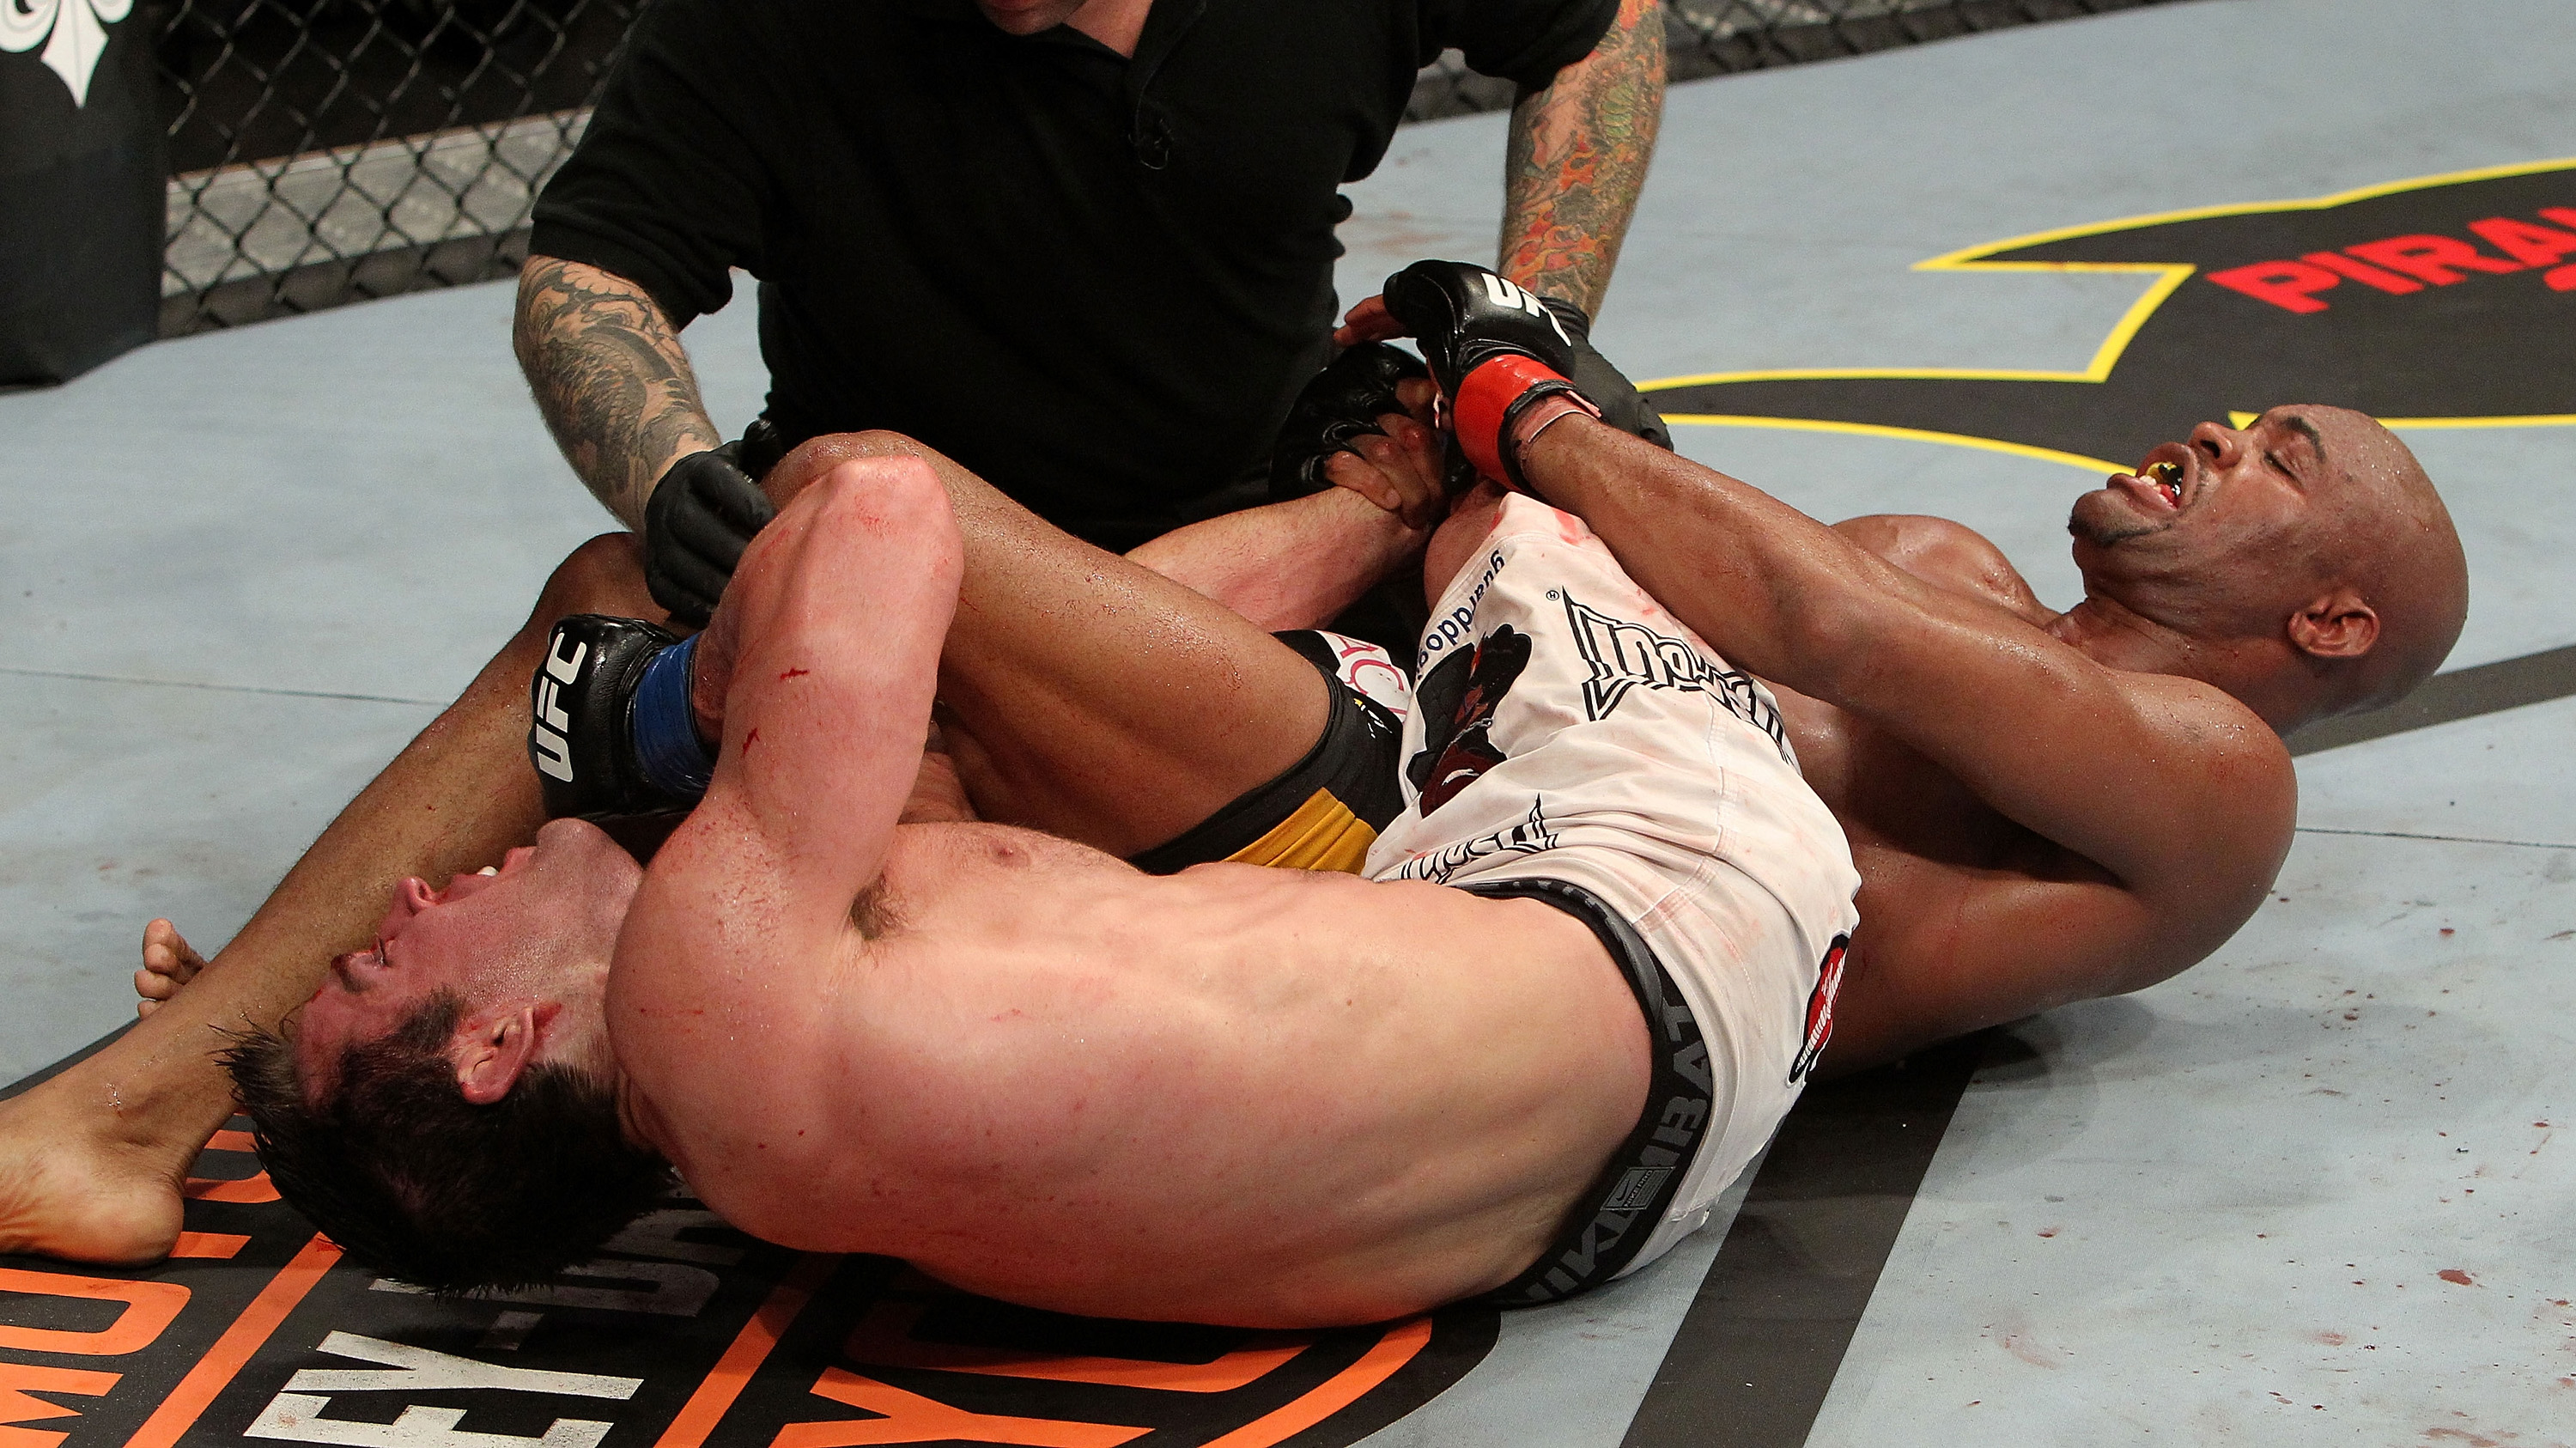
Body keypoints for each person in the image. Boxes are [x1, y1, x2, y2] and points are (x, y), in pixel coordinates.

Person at [223, 430, 1859, 1324]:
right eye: (383, 964)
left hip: (1614, 1197)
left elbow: (974, 699)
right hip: (1666, 899)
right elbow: (879, 505)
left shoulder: (785, 1137)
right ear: (495, 1046)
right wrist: (683, 695)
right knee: (1514, 501)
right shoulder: (703, 983)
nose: (409, 899)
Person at [1334, 259, 2472, 1069]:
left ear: (2330, 623)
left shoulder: (2226, 786)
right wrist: (1466, 435)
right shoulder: (1940, 562)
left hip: (1569, 983)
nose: (2223, 434)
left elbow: (1832, 629)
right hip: (1426, 780)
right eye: (2249, 420)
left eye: (2282, 460)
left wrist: (1533, 409)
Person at [513, 0, 1674, 624]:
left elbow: (1598, 26)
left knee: (1596, 569)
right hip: (899, 566)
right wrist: (668, 477)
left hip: (1284, 526)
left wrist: (1533, 319)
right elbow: (591, 273)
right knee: (600, 609)